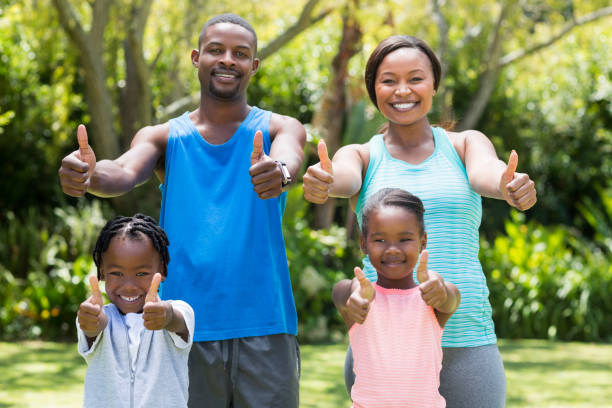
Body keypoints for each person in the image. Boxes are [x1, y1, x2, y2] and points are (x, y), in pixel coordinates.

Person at [60, 13, 305, 407]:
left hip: (265, 324)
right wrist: (89, 174)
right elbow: (122, 171)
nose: (228, 60)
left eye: (240, 53)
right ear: (196, 58)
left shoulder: (279, 128)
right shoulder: (164, 136)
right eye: (216, 50)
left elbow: (289, 157)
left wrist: (279, 171)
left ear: (254, 66)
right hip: (178, 326)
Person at [303, 35, 537, 407]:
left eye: (415, 78)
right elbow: (343, 176)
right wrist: (326, 181)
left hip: (466, 340)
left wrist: (507, 185)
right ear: (373, 89)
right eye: (388, 80)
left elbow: (486, 174)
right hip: (384, 347)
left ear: (434, 84)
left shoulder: (464, 145)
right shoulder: (362, 155)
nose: (402, 90)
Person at [333, 188, 460, 407]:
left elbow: (452, 298)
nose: (392, 249)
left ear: (423, 241)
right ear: (364, 243)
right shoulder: (361, 299)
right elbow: (339, 291)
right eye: (380, 240)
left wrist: (440, 289)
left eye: (404, 239)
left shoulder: (431, 296)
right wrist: (355, 293)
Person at [77, 213, 195, 408]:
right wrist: (92, 322)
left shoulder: (179, 311)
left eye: (141, 273)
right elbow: (92, 328)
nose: (129, 286)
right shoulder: (95, 315)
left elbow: (176, 319)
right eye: (117, 273)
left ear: (162, 270)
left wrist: (166, 316)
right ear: (102, 272)